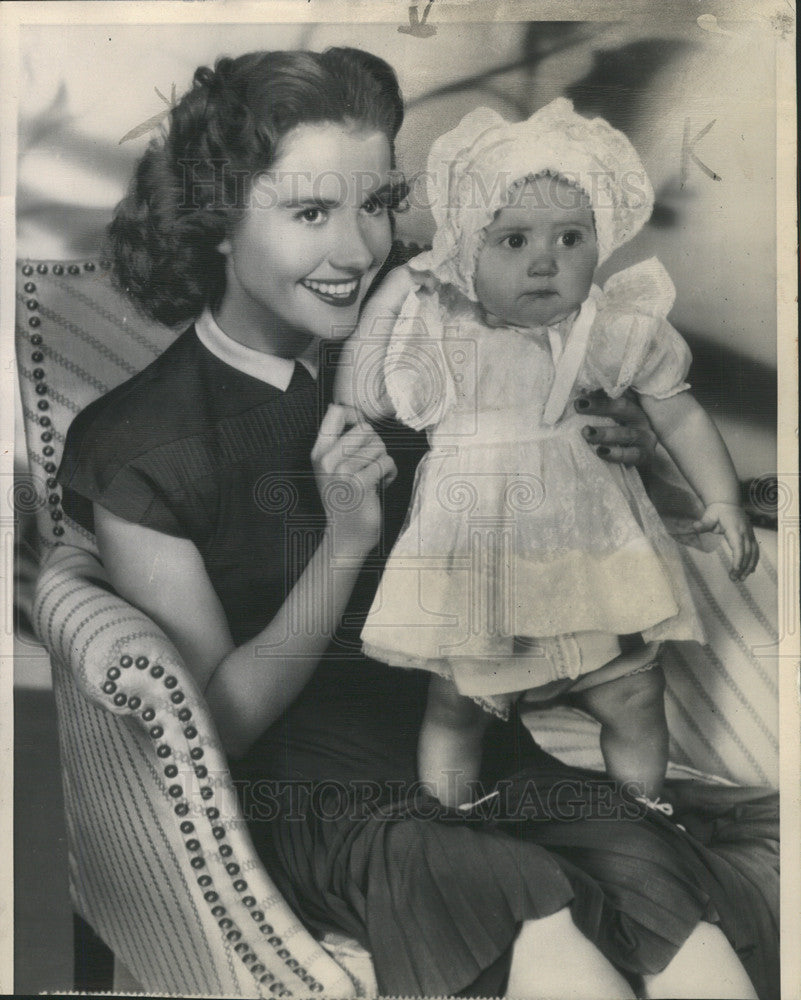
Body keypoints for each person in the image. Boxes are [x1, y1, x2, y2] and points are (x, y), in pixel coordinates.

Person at [56, 49, 775, 1000]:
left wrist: (608, 458)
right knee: (537, 920)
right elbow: (215, 727)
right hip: (309, 795)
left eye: (377, 202)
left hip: (472, 740)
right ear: (218, 217)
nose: (359, 250)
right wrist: (342, 541)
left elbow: (566, 457)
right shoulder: (137, 440)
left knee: (674, 912)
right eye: (311, 212)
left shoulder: (441, 329)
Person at [338, 100, 759, 810]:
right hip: (479, 554)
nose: (544, 260)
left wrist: (720, 498)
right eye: (511, 241)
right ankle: (449, 818)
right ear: (465, 249)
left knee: (632, 691)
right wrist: (395, 294)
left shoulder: (608, 325)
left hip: (585, 552)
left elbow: (678, 412)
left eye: (570, 237)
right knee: (456, 705)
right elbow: (364, 390)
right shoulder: (442, 323)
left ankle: (643, 815)